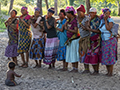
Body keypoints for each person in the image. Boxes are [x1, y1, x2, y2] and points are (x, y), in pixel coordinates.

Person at [99, 8, 117, 76]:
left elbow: (108, 28)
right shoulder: (101, 21)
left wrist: (106, 20)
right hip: (104, 40)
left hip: (110, 40)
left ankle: (111, 72)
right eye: (105, 13)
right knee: (106, 56)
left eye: (108, 14)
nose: (106, 15)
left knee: (110, 56)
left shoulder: (110, 20)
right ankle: (108, 71)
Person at [84, 8, 101, 75]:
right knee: (90, 54)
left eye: (92, 13)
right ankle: (94, 70)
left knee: (95, 55)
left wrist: (91, 30)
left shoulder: (98, 20)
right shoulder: (90, 19)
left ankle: (97, 71)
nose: (91, 14)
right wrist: (89, 20)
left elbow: (99, 31)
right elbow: (87, 27)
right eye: (90, 13)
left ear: (95, 13)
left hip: (96, 40)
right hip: (90, 40)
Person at [64, 6, 80, 72]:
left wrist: (68, 29)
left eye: (67, 13)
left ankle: (75, 68)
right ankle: (73, 67)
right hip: (70, 39)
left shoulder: (75, 21)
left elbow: (76, 31)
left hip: (74, 39)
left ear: (70, 13)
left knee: (74, 53)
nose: (66, 15)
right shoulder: (69, 20)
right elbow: (65, 25)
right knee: (72, 54)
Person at [77, 5, 90, 73]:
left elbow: (86, 28)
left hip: (86, 38)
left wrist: (80, 23)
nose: (78, 14)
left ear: (83, 12)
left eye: (80, 12)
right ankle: (86, 69)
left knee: (86, 53)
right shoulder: (78, 18)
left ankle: (87, 69)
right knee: (83, 53)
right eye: (78, 12)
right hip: (82, 38)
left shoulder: (86, 18)